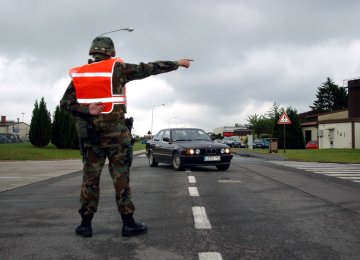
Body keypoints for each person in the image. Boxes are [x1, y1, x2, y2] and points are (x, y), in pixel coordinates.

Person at [60, 36, 192, 238]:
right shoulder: (117, 69)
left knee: (89, 179)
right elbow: (149, 68)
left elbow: (65, 104)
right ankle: (128, 223)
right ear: (110, 52)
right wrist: (177, 63)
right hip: (116, 137)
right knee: (120, 178)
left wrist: (87, 109)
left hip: (91, 136)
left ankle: (85, 225)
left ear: (92, 52)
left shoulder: (79, 74)